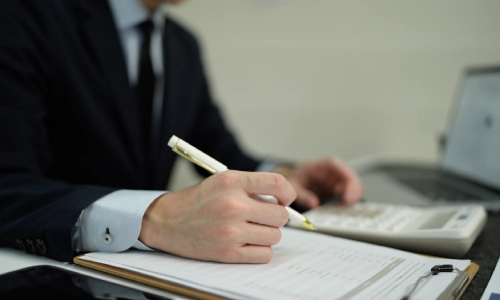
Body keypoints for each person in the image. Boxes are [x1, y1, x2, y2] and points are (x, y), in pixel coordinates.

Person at [0, 0, 362, 264]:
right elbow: (8, 185)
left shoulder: (182, 45)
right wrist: (152, 215)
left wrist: (284, 175)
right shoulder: (25, 16)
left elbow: (217, 152)